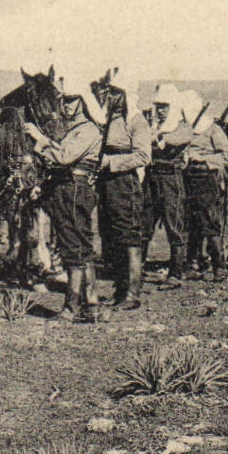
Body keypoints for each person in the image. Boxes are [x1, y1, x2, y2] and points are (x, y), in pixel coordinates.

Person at [25, 88, 104, 322]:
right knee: (78, 247)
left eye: (71, 101)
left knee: (74, 248)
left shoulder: (88, 130)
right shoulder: (73, 129)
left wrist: (39, 138)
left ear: (83, 102)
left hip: (74, 189)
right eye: (65, 101)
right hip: (65, 188)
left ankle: (72, 307)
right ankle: (91, 304)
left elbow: (65, 157)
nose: (66, 106)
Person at [94, 79, 151, 310]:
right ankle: (120, 290)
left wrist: (111, 162)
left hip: (125, 183)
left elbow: (144, 156)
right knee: (112, 236)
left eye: (116, 93)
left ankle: (133, 293)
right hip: (106, 183)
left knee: (129, 236)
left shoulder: (137, 121)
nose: (110, 97)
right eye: (109, 92)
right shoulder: (107, 120)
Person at [180, 94, 228, 282]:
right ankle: (192, 264)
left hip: (206, 180)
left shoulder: (213, 129)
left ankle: (219, 267)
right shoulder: (182, 128)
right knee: (190, 223)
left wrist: (203, 159)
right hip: (187, 179)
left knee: (210, 223)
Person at [145, 84, 193, 287]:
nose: (160, 110)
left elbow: (181, 139)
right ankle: (137, 269)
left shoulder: (181, 126)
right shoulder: (155, 125)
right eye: (158, 106)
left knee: (174, 225)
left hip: (171, 178)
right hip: (152, 177)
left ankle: (176, 273)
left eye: (164, 106)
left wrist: (158, 139)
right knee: (145, 222)